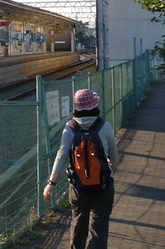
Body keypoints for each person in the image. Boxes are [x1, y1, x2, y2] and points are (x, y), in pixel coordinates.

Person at [43, 89, 118, 249]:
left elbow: (61, 155)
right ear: (95, 105)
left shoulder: (69, 128)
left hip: (78, 186)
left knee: (78, 222)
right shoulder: (105, 126)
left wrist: (51, 183)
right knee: (100, 226)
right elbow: (113, 152)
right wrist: (112, 168)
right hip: (103, 184)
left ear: (76, 107)